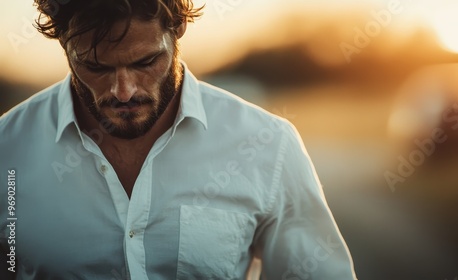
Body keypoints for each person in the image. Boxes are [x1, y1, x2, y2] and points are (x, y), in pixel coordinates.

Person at [0, 0, 357, 279]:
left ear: (179, 28)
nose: (123, 91)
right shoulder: (7, 149)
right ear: (62, 43)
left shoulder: (269, 144)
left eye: (146, 62)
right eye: (97, 67)